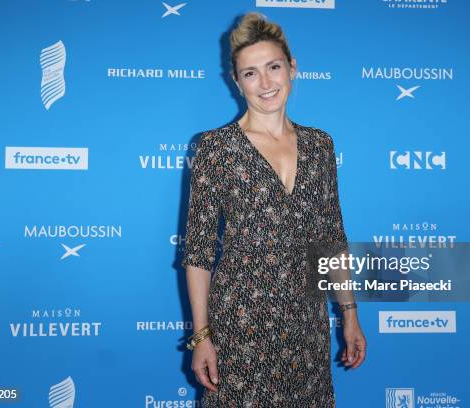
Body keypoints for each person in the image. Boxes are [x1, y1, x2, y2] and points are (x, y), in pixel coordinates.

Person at [182, 12, 366, 407]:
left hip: (306, 326)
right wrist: (202, 336)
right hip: (240, 327)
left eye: (273, 67)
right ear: (236, 81)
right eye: (251, 73)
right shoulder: (216, 149)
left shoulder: (320, 145)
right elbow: (197, 253)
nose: (265, 83)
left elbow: (331, 240)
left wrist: (349, 314)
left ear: (292, 68)